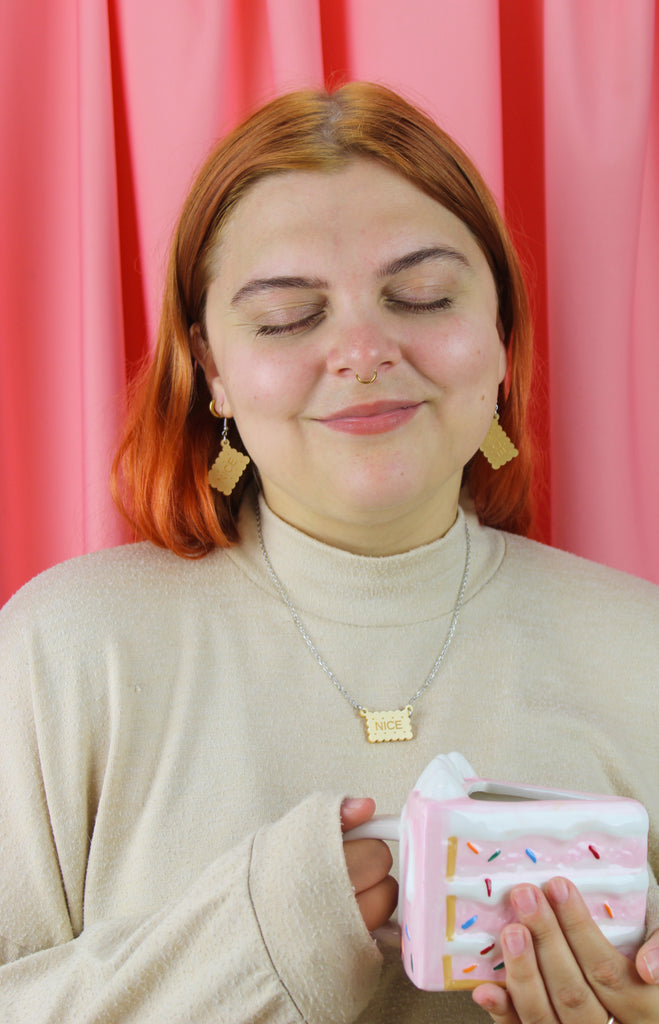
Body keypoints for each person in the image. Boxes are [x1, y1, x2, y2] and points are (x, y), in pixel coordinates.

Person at [0, 81, 658, 1024]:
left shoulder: (642, 646)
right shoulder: (63, 652)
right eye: (285, 317)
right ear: (211, 368)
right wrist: (262, 940)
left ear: (502, 334)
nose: (362, 349)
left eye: (422, 297)